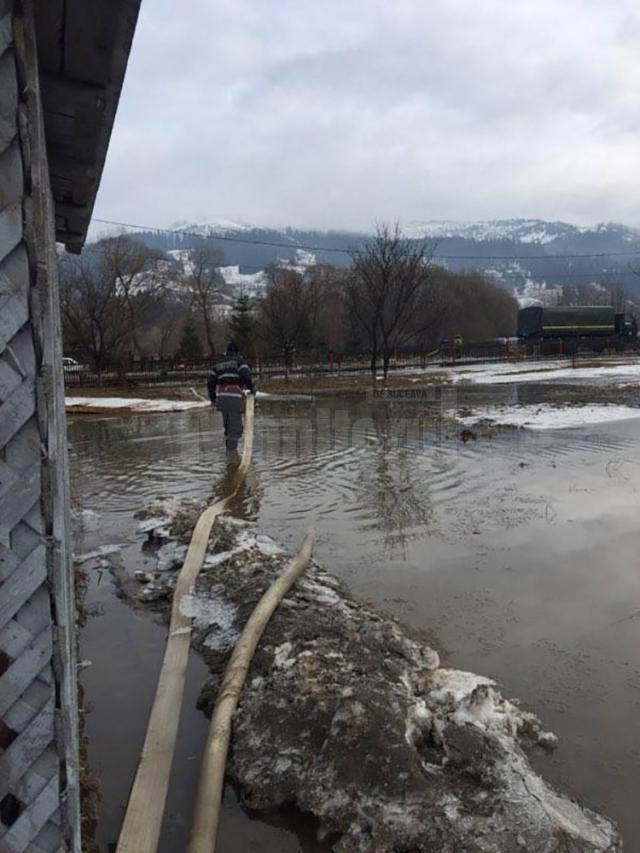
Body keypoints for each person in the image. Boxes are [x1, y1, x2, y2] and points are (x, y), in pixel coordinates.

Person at [207, 342, 256, 451]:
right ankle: (232, 460)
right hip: (235, 396)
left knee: (228, 428)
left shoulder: (218, 363)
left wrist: (213, 398)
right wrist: (251, 388)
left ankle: (228, 455)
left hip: (222, 398)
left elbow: (210, 382)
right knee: (235, 430)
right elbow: (246, 376)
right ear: (237, 352)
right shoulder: (239, 361)